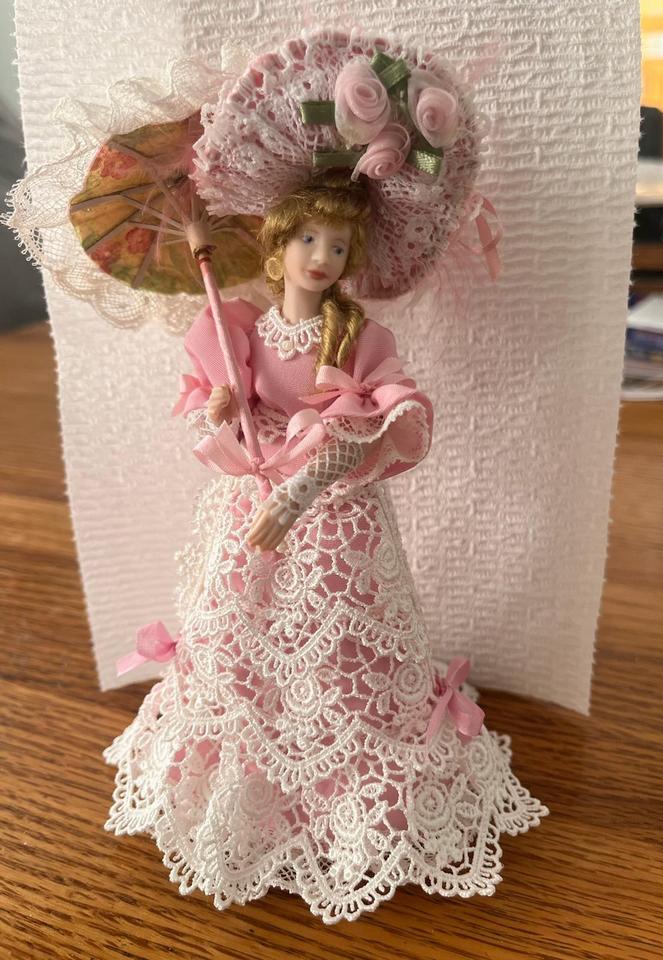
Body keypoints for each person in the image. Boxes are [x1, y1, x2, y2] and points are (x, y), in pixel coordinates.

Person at [102, 31, 547, 924]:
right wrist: (223, 406)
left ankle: (348, 784)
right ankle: (250, 783)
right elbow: (214, 421)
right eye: (308, 238)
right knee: (241, 639)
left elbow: (378, 421)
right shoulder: (241, 331)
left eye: (338, 246)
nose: (322, 257)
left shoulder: (360, 339)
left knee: (339, 653)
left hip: (333, 518)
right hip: (250, 504)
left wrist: (309, 483)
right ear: (277, 246)